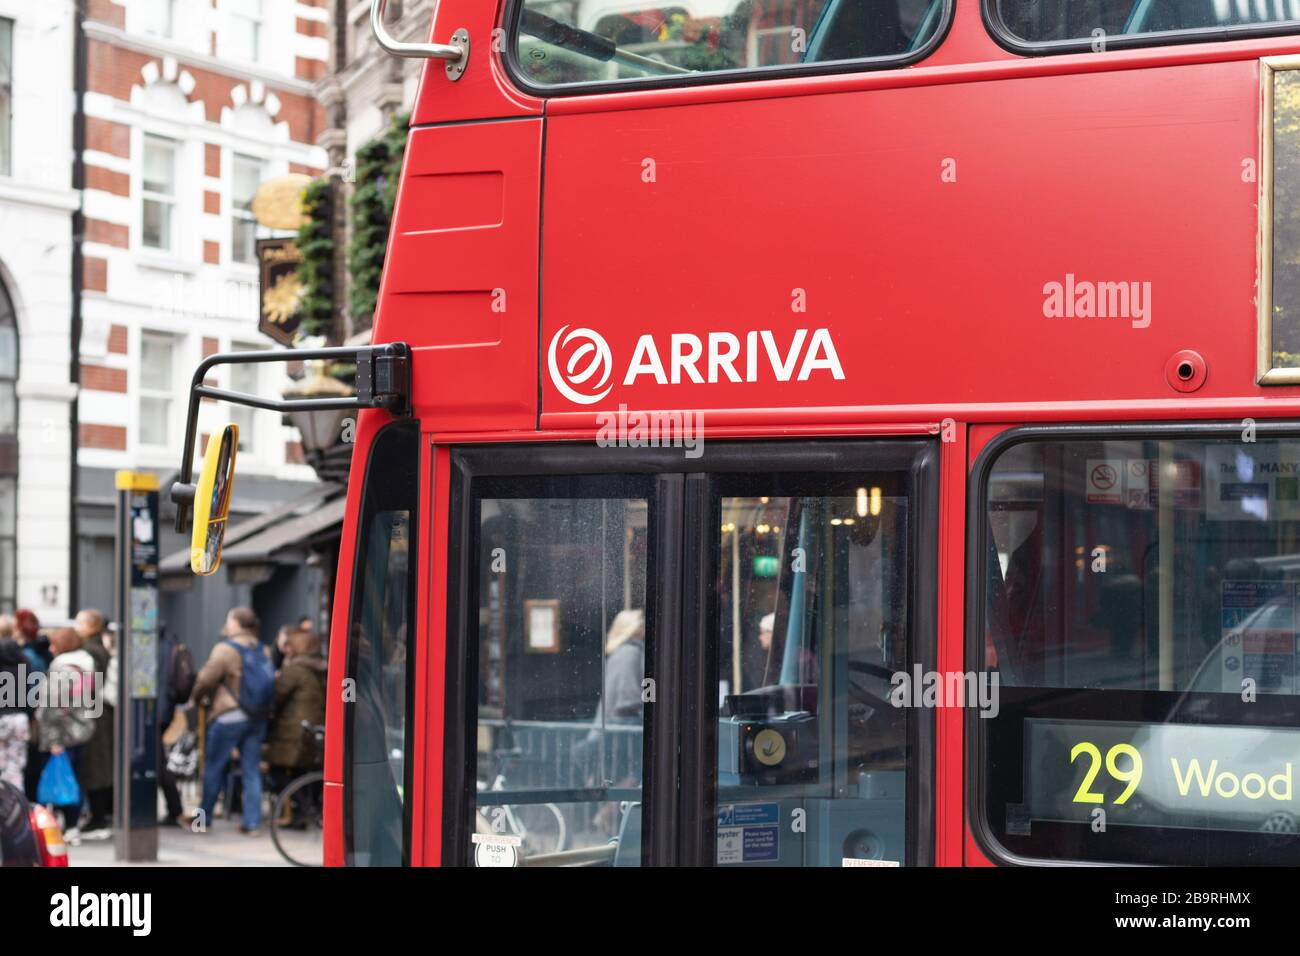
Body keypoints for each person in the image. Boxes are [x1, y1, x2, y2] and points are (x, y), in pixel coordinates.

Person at [190, 607, 274, 834]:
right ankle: (252, 822)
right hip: (257, 717)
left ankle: (202, 820)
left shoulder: (226, 649)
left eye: (229, 620)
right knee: (251, 770)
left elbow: (206, 678)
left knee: (213, 767)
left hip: (229, 715)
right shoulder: (263, 649)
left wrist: (195, 699)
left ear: (236, 623)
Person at [36, 628, 98, 842]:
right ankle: (72, 826)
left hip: (61, 734)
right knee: (72, 779)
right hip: (80, 731)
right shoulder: (86, 667)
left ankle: (60, 827)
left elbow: (51, 707)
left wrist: (53, 740)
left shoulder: (61, 669)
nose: (51, 649)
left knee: (57, 779)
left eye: (54, 644)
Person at [266, 627, 327, 819]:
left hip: (291, 730)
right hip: (313, 727)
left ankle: (303, 809)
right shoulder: (321, 667)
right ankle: (304, 811)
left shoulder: (295, 670)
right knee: (303, 772)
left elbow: (275, 696)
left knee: (277, 771)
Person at [74, 609, 115, 839]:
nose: (76, 626)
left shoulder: (90, 651)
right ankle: (101, 813)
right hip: (100, 712)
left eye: (80, 622)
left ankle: (99, 816)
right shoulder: (100, 649)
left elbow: (90, 685)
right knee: (100, 763)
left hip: (94, 713)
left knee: (95, 764)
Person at [156, 627, 195, 826]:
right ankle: (175, 809)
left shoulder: (153, 649)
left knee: (158, 762)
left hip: (153, 711)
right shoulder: (172, 646)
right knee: (159, 761)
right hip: (166, 710)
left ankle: (175, 809)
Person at [0, 630, 29, 790]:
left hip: (2, 717)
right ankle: (17, 804)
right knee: (16, 768)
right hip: (19, 718)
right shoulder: (24, 665)